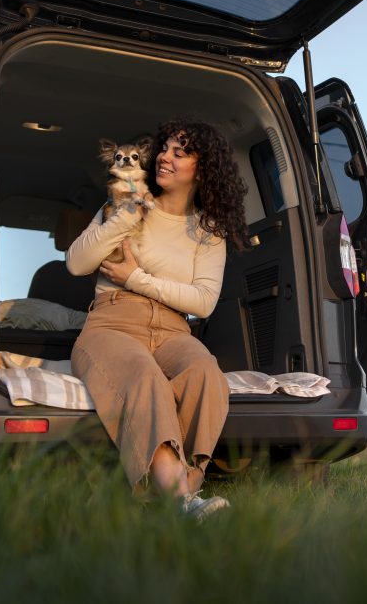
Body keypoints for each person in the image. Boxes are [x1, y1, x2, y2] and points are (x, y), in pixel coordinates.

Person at [66, 118, 248, 520]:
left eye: (179, 153)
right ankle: (182, 502)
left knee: (205, 373)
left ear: (203, 170)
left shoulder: (208, 231)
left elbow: (202, 302)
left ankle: (175, 498)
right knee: (144, 376)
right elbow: (77, 263)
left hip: (173, 327)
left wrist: (136, 278)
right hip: (112, 323)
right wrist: (127, 217)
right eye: (164, 148)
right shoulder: (123, 204)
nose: (164, 156)